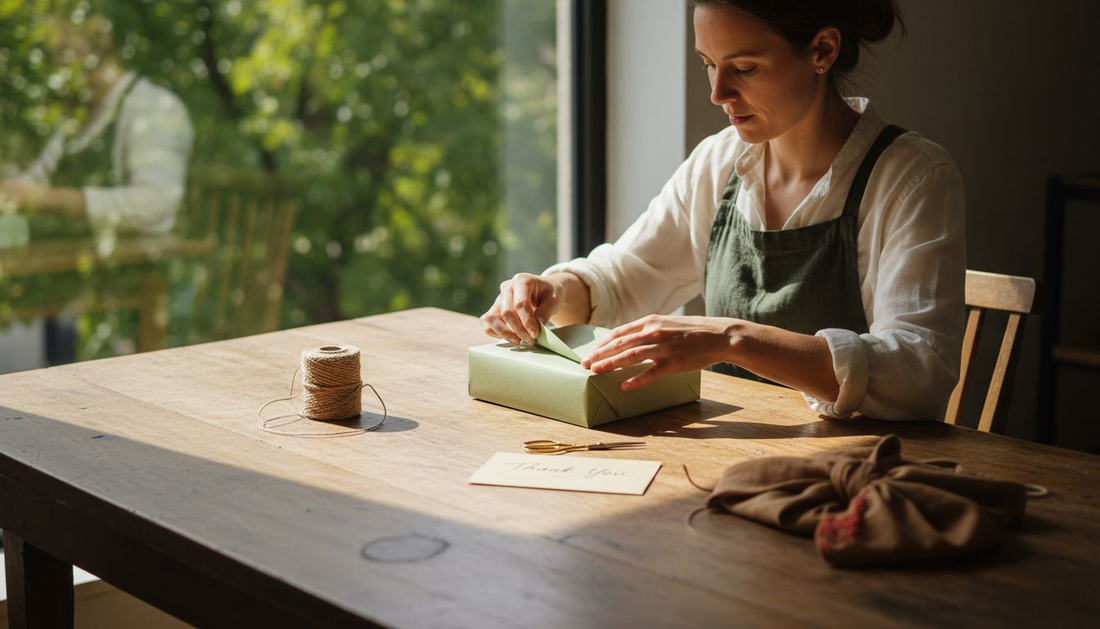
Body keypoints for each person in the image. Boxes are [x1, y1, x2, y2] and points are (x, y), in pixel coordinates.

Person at [480, 0, 966, 421]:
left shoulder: (911, 176)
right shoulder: (718, 161)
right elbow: (628, 277)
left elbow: (919, 371)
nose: (719, 93)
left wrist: (731, 339)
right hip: (731, 462)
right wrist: (552, 290)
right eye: (708, 64)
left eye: (745, 68)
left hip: (853, 476)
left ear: (822, 50)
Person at [0, 13, 193, 241]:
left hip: (137, 268)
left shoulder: (155, 107)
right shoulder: (78, 118)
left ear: (88, 48)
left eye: (60, 51)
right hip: (69, 264)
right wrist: (13, 191)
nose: (54, 65)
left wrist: (53, 199)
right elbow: (36, 180)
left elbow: (155, 205)